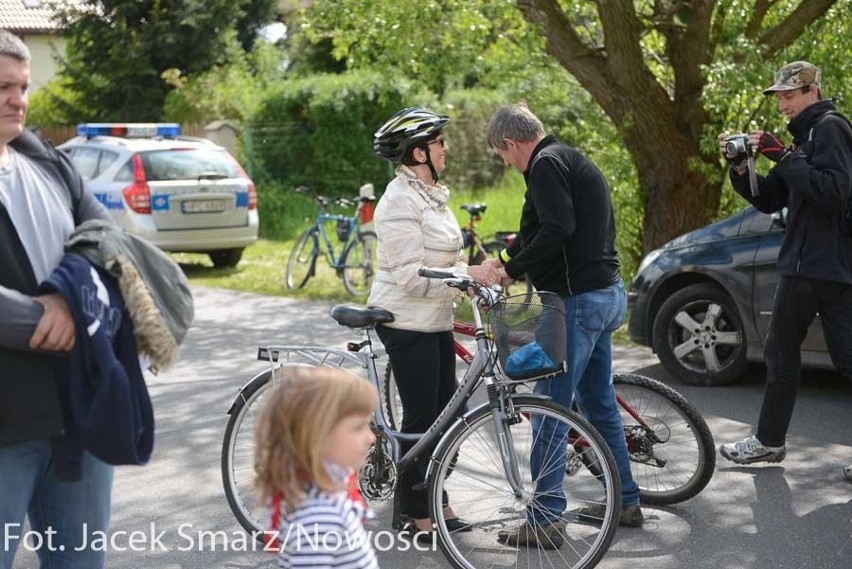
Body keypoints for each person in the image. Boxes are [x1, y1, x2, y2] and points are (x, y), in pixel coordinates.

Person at [482, 103, 643, 548]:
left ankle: (546, 517)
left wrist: (509, 270)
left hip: (578, 303)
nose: (507, 163)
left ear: (512, 144)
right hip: (606, 294)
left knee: (549, 410)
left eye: (503, 154)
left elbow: (558, 229)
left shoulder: (545, 165)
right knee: (597, 401)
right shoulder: (569, 157)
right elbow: (549, 230)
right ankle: (625, 499)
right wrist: (511, 257)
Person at [0, 30, 116, 569]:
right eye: (2, 86)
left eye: (22, 86)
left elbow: (107, 239)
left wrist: (71, 303)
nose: (17, 99)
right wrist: (43, 320)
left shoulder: (48, 160)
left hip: (79, 417)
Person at [368, 106, 498, 538]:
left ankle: (433, 498)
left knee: (447, 416)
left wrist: (474, 273)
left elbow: (445, 257)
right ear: (419, 153)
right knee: (424, 419)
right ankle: (414, 511)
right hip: (406, 321)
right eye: (439, 142)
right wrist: (465, 276)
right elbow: (409, 275)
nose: (446, 148)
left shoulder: (431, 195)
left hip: (435, 319)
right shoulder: (398, 201)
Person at [717, 61, 852, 473]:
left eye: (789, 96)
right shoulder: (802, 140)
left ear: (812, 91)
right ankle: (770, 442)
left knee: (845, 360)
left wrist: (782, 154)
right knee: (780, 353)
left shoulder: (830, 128)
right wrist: (741, 168)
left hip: (829, 268)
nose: (782, 105)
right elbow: (771, 198)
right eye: (778, 97)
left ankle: (769, 441)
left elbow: (835, 192)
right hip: (801, 266)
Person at [254, 366, 381, 568]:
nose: (371, 437)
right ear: (317, 438)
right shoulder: (318, 520)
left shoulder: (325, 487)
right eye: (358, 427)